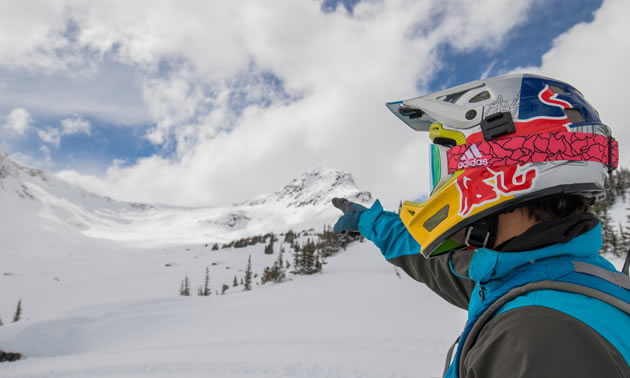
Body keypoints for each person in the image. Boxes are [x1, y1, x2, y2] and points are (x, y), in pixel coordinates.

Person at [332, 73, 630, 377]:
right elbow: (436, 263)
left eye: (445, 160)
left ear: (499, 169)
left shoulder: (537, 333)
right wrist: (370, 221)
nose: (441, 181)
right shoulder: (543, 276)